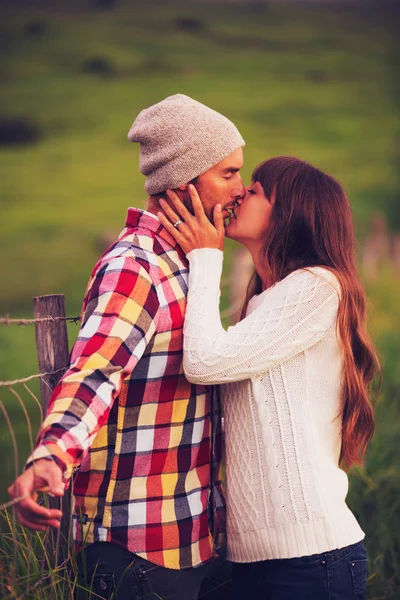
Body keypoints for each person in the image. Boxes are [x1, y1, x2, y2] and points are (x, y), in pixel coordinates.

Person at [8, 94, 246, 600]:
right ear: (185, 181)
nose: (240, 189)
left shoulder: (189, 262)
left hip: (190, 531)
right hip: (138, 546)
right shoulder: (136, 268)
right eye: (228, 174)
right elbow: (96, 372)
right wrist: (51, 455)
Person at [158, 156, 380, 600]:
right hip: (255, 561)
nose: (240, 193)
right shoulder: (269, 300)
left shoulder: (318, 288)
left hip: (311, 563)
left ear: (290, 214)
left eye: (256, 189)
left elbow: (203, 362)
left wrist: (205, 257)